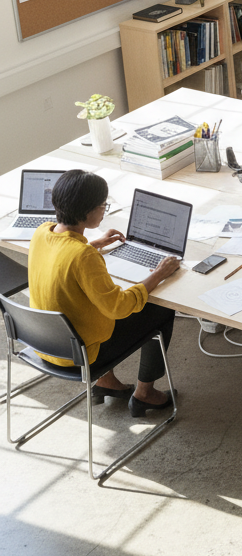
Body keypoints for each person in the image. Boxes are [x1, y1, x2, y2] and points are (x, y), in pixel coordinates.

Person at [27, 170, 180, 416]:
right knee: (160, 308)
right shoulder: (82, 256)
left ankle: (107, 382)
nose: (104, 210)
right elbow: (119, 307)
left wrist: (94, 243)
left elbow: (63, 260)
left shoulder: (42, 231)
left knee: (83, 303)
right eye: (103, 206)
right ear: (88, 212)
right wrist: (159, 274)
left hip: (44, 341)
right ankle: (145, 394)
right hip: (80, 354)